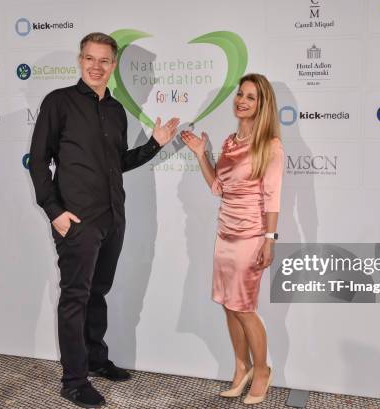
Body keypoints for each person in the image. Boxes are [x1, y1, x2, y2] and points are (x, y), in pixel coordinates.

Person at [28, 32, 179, 408]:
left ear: (113, 66)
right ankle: (73, 381)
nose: (96, 67)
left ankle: (96, 360)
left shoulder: (115, 110)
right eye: (90, 59)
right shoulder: (58, 102)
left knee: (98, 292)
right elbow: (38, 160)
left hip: (113, 217)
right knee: (76, 298)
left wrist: (154, 144)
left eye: (104, 61)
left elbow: (118, 163)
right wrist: (54, 211)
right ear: (80, 60)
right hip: (76, 220)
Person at [181, 73, 283, 405]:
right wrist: (200, 154)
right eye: (240, 94)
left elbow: (273, 197)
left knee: (245, 308)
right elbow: (219, 188)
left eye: (251, 97)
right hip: (224, 234)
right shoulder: (229, 143)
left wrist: (269, 239)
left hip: (251, 236)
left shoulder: (270, 146)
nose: (241, 100)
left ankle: (263, 371)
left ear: (262, 104)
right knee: (229, 306)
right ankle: (241, 369)